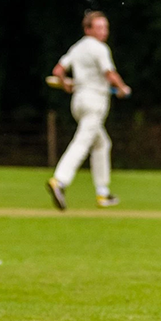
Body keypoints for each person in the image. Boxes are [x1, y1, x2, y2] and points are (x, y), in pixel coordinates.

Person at [45, 11, 131, 211]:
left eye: (105, 27)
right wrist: (122, 88)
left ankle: (103, 193)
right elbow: (109, 73)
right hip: (94, 102)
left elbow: (58, 71)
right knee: (82, 142)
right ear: (88, 29)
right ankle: (60, 181)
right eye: (99, 27)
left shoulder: (77, 48)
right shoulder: (100, 48)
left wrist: (65, 84)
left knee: (102, 144)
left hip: (78, 102)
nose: (103, 31)